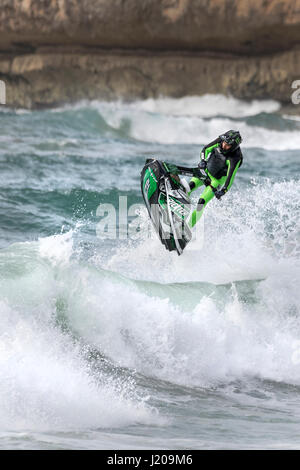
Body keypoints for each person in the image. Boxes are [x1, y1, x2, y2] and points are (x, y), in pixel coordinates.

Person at [183, 130, 243, 228]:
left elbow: (230, 177)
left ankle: (188, 227)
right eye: (224, 142)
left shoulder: (235, 158)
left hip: (216, 181)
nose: (223, 145)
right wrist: (203, 160)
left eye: (227, 145)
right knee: (187, 189)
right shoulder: (221, 141)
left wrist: (224, 190)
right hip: (205, 172)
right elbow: (205, 149)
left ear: (233, 147)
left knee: (201, 202)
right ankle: (177, 215)